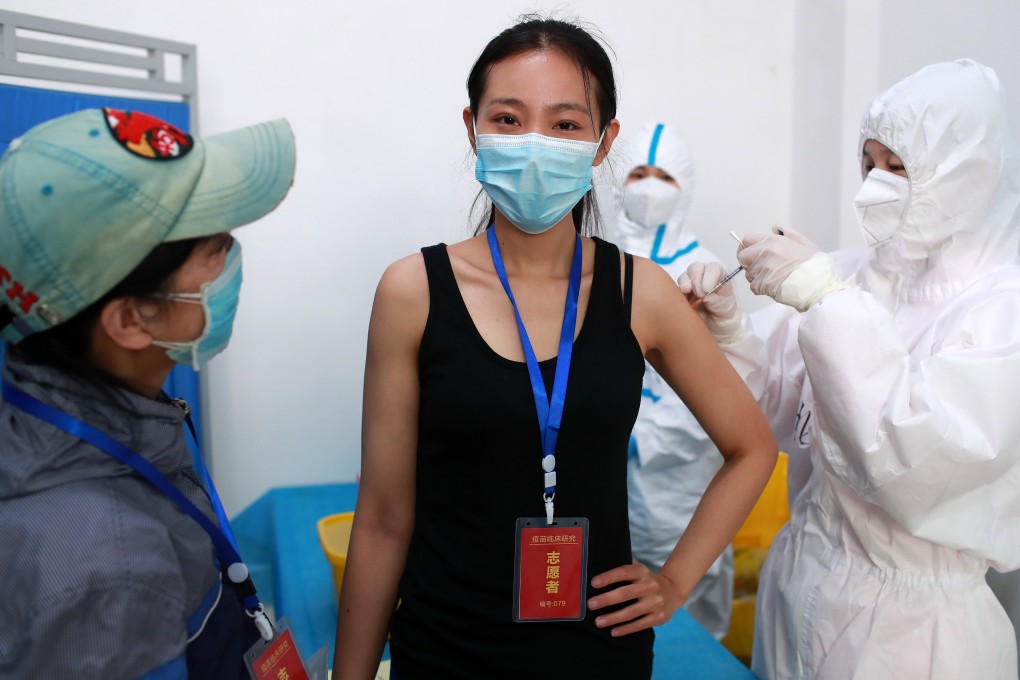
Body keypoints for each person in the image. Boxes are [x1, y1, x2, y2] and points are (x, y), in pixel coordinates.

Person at [332, 17, 776, 680]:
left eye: (565, 124)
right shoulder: (413, 292)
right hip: (445, 648)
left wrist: (675, 582)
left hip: (597, 654)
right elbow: (383, 522)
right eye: (508, 120)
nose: (535, 143)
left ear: (603, 143)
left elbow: (753, 447)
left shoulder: (641, 293)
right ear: (473, 127)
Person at [680, 59, 1020, 679]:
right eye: (869, 163)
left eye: (900, 167)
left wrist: (826, 300)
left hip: (913, 634)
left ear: (965, 175)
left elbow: (917, 459)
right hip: (803, 578)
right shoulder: (857, 274)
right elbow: (772, 408)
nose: (875, 184)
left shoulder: (1003, 308)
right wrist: (728, 333)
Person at [0, 107, 295, 678]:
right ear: (132, 320)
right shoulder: (108, 571)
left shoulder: (78, 415)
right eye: (215, 243)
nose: (232, 257)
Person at [608, 121, 733, 640]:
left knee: (690, 629)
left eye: (664, 176)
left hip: (680, 490)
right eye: (637, 172)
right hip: (597, 479)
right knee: (609, 606)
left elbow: (719, 391)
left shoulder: (705, 273)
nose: (650, 186)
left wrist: (636, 439)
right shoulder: (592, 261)